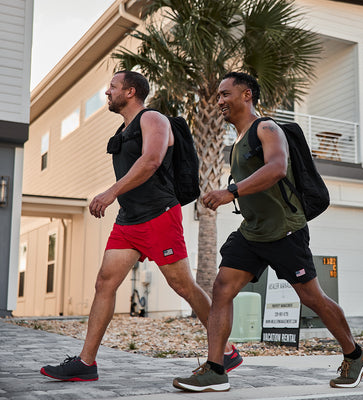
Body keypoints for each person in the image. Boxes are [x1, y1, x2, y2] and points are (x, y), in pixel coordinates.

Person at [173, 72, 363, 392]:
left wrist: (231, 192)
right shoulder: (237, 141)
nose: (220, 100)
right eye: (219, 96)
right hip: (252, 232)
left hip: (285, 231)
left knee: (312, 298)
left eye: (226, 94)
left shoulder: (266, 128)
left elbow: (277, 167)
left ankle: (355, 354)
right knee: (222, 287)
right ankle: (215, 369)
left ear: (247, 95)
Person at [40, 70, 242, 382]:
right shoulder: (123, 130)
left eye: (113, 87)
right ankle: (86, 362)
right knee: (104, 283)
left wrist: (110, 193)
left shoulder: (153, 120)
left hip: (159, 214)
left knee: (183, 285)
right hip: (129, 220)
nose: (108, 93)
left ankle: (226, 351)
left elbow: (151, 161)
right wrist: (117, 199)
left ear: (131, 92)